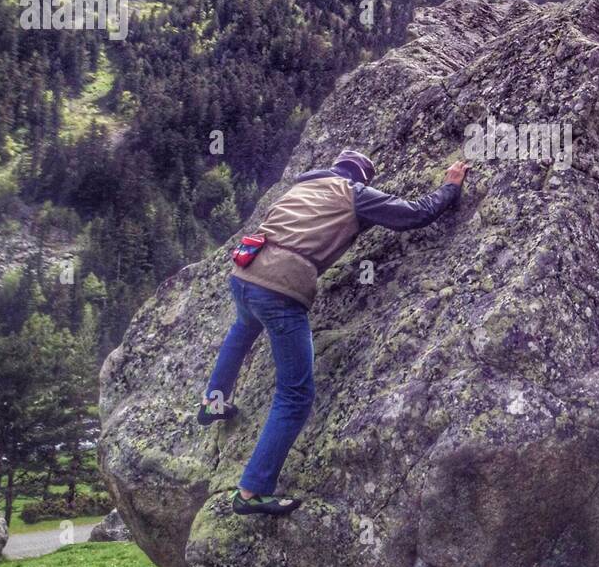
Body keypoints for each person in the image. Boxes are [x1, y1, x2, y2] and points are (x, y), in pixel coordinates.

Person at [199, 148, 468, 516]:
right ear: (360, 178)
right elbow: (413, 215)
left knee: (243, 328)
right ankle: (252, 492)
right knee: (295, 395)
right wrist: (450, 189)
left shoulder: (300, 189)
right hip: (280, 289)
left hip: (244, 274)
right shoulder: (352, 193)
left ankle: (212, 403)